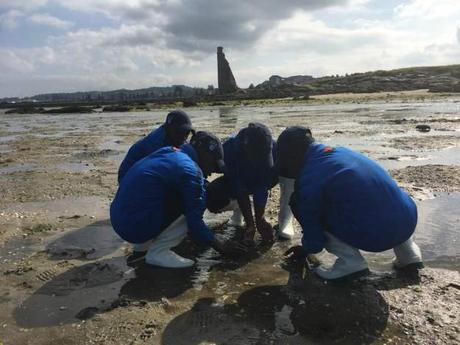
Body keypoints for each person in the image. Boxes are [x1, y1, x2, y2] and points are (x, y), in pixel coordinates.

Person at [280, 126, 423, 281]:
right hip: (408, 220)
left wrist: (307, 249)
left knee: (299, 203)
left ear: (292, 154)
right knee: (387, 201)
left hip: (375, 234)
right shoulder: (342, 152)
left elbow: (314, 235)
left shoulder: (308, 177)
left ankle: (350, 263)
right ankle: (409, 255)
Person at [110, 131, 247, 268]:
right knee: (195, 203)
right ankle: (159, 252)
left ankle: (142, 247)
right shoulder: (191, 171)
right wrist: (221, 247)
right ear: (205, 154)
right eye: (213, 164)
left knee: (168, 194)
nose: (211, 171)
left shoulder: (169, 151)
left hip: (120, 218)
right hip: (135, 227)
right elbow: (194, 221)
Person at [206, 123, 278, 244]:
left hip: (259, 179)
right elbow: (238, 186)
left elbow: (262, 185)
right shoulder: (229, 149)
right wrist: (250, 224)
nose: (259, 159)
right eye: (257, 155)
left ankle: (258, 216)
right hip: (239, 180)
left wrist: (260, 219)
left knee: (274, 175)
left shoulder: (272, 146)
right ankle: (239, 209)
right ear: (246, 147)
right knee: (212, 197)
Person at [118, 109, 194, 183]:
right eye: (181, 132)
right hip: (129, 181)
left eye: (187, 133)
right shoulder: (155, 146)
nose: (184, 137)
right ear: (171, 129)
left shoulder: (174, 139)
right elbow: (169, 172)